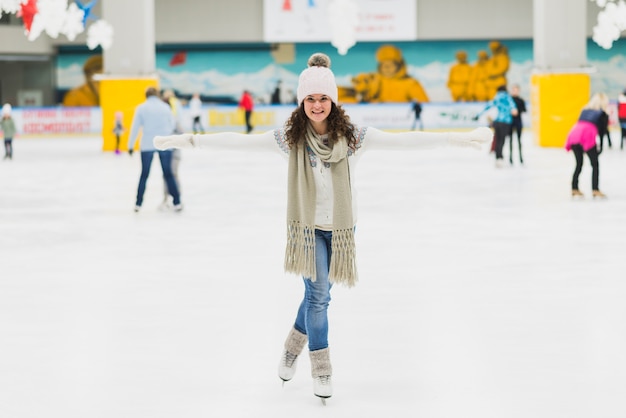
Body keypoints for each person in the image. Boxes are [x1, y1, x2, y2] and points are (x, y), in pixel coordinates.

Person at [153, 53, 491, 402]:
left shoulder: (356, 138)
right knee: (318, 297)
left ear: (333, 100)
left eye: (323, 98)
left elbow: (406, 140)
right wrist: (187, 140)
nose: (317, 105)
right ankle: (321, 369)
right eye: (310, 99)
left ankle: (292, 344)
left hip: (344, 230)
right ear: (302, 102)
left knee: (319, 296)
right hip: (309, 230)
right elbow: (236, 141)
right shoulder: (289, 140)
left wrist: (458, 138)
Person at [128, 86, 183, 212]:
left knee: (144, 174)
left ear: (146, 96)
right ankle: (177, 202)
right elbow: (173, 124)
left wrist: (130, 146)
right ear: (157, 95)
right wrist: (167, 136)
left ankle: (138, 203)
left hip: (147, 144)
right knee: (168, 174)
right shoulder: (165, 107)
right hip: (164, 143)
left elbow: (135, 128)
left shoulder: (141, 108)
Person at [564, 92, 609, 199]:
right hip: (587, 136)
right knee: (595, 164)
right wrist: (600, 147)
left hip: (574, 133)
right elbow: (602, 132)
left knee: (578, 163)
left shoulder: (584, 110)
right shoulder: (603, 114)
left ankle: (574, 188)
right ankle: (595, 189)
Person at [349, 44, 429, 103]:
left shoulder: (410, 83)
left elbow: (425, 104)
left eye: (391, 64)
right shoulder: (374, 79)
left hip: (401, 119)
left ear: (399, 66)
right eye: (383, 65)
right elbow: (359, 87)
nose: (386, 67)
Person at [474, 84, 517, 167]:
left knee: (497, 139)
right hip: (505, 122)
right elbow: (513, 107)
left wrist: (478, 115)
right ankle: (500, 156)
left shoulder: (497, 97)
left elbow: (488, 106)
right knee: (502, 140)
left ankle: (498, 157)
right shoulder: (507, 97)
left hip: (497, 121)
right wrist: (514, 110)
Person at [161, 89, 183, 210]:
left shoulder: (173, 120)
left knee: (171, 174)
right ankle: (168, 199)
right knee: (168, 175)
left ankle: (176, 198)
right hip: (168, 150)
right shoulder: (166, 120)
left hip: (174, 151)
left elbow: (181, 131)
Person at [509, 84, 527, 164]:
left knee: (519, 140)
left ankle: (520, 157)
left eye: (516, 90)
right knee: (510, 140)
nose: (515, 91)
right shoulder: (509, 100)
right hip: (510, 122)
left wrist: (517, 111)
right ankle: (510, 157)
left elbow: (524, 110)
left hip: (518, 122)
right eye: (513, 90)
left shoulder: (521, 100)